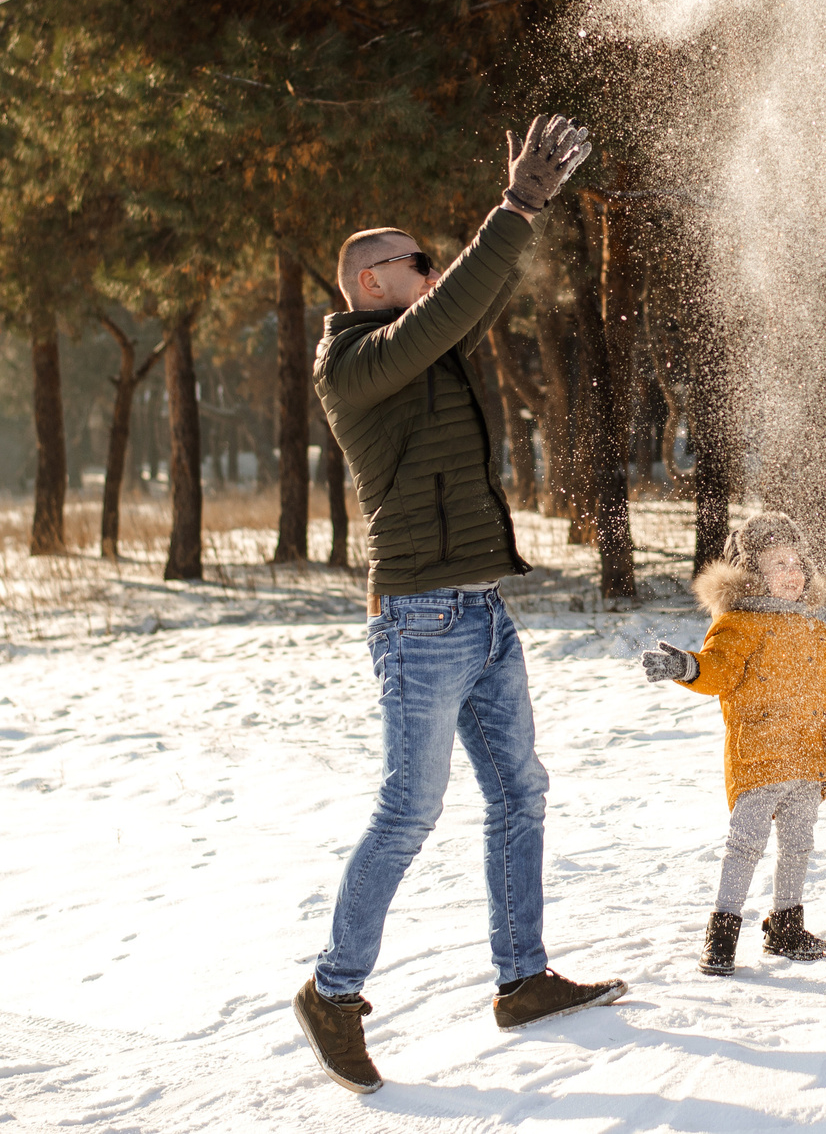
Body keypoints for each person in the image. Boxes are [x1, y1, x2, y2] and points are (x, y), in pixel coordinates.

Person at [291, 114, 625, 1095]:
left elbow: (464, 305)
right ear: (370, 281)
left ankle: (522, 978)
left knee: (520, 789)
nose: (433, 272)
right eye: (416, 261)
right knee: (410, 806)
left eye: (434, 261)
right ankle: (334, 990)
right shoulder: (353, 364)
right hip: (421, 619)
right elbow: (449, 313)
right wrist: (516, 204)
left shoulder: (420, 345)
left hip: (480, 608)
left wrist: (523, 220)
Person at [637, 511, 826, 976]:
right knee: (745, 845)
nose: (793, 572)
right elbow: (718, 671)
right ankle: (721, 938)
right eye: (778, 564)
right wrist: (686, 667)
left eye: (798, 563)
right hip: (759, 755)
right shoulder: (738, 625)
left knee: (799, 844)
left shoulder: (812, 628)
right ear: (752, 574)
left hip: (807, 754)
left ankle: (785, 925)